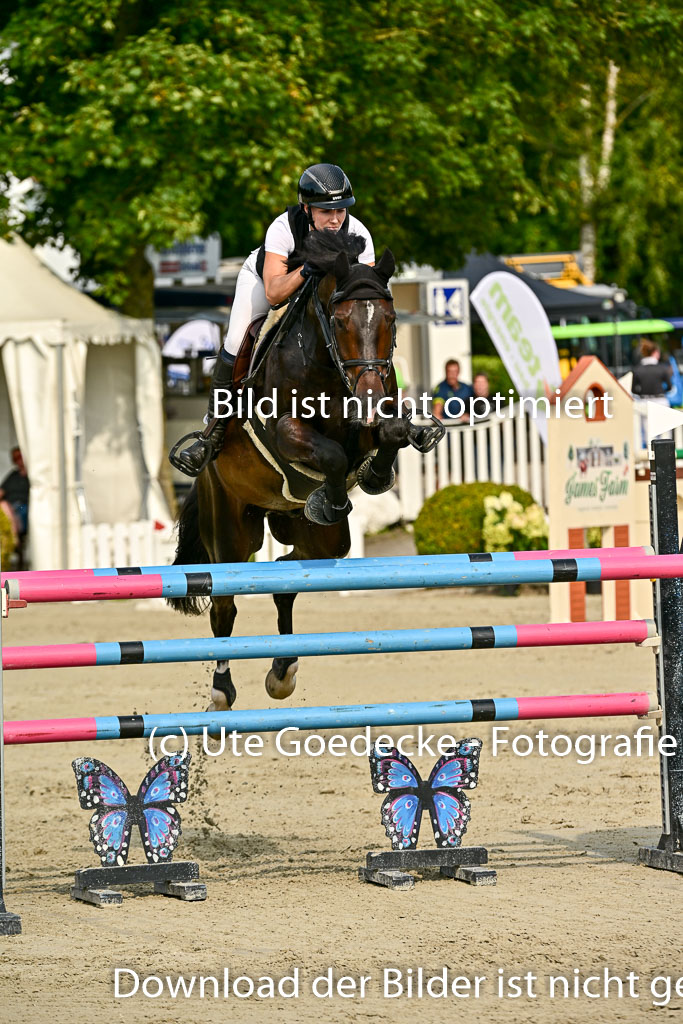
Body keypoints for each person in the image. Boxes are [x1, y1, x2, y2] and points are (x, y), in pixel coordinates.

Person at [174, 163, 375, 476]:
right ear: (306, 209)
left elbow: (365, 291)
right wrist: (308, 268)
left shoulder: (359, 233)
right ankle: (212, 431)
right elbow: (273, 293)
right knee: (236, 337)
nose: (335, 219)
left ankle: (390, 412)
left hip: (320, 295)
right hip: (266, 280)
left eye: (340, 211)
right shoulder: (283, 228)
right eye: (325, 211)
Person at [0, 446, 29, 554]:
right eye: (15, 458)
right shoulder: (13, 475)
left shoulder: (34, 476)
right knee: (4, 506)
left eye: (20, 456)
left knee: (4, 506)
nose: (18, 460)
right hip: (11, 508)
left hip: (24, 507)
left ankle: (14, 537)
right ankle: (14, 537)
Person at [631, 340, 672, 407]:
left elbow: (634, 390)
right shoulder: (662, 368)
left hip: (644, 402)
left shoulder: (637, 370)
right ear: (655, 352)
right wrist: (662, 391)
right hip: (661, 402)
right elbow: (670, 387)